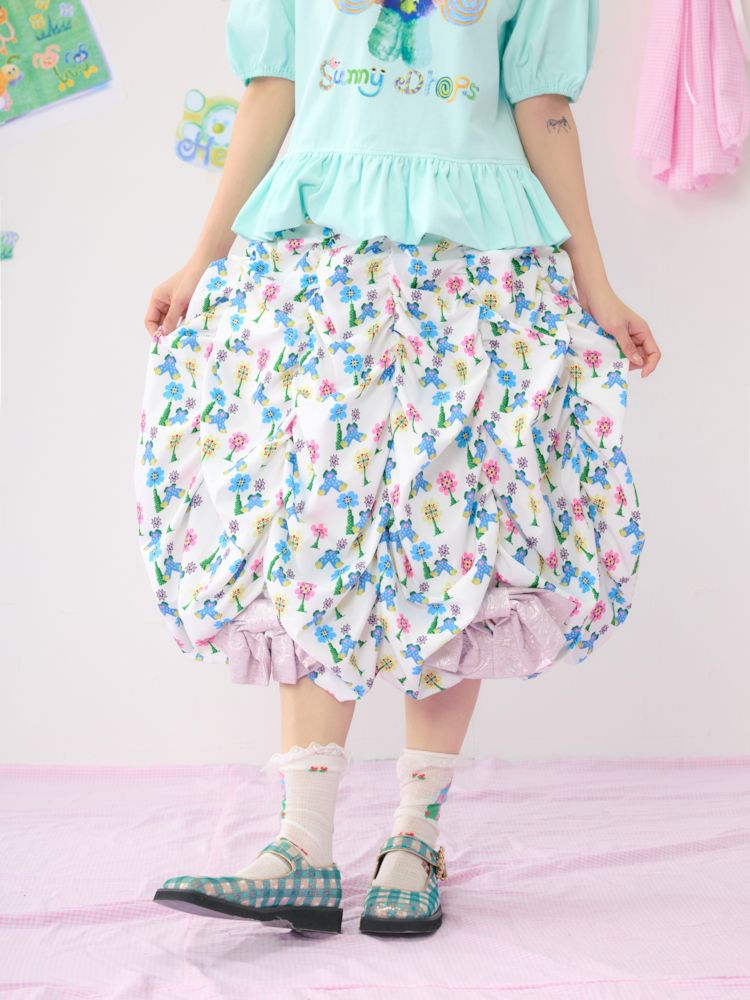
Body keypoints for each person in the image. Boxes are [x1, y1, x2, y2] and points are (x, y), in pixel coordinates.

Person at [135, 0, 661, 938]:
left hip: (480, 259)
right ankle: (301, 843)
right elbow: (272, 90)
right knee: (313, 525)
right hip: (315, 254)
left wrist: (596, 283)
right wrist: (202, 257)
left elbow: (543, 107)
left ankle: (415, 838)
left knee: (457, 538)